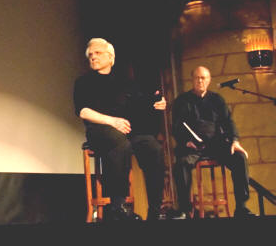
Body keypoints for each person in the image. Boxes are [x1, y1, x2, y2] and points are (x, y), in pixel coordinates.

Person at [73, 38, 167, 221]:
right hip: (99, 130)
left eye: (98, 53)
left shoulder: (124, 82)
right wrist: (111, 121)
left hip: (125, 130)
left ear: (111, 57)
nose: (93, 57)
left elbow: (139, 102)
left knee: (153, 147)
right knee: (120, 143)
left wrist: (157, 103)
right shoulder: (83, 82)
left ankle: (156, 208)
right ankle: (118, 206)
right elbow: (82, 111)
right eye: (90, 55)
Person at [171, 66, 257, 219]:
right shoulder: (182, 101)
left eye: (203, 78)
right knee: (181, 164)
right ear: (192, 80)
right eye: (197, 78)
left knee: (239, 158)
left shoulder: (217, 100)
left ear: (209, 80)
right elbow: (176, 127)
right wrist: (185, 142)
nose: (200, 81)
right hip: (193, 147)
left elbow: (228, 121)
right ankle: (184, 209)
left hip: (215, 145)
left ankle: (241, 208)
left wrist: (235, 140)